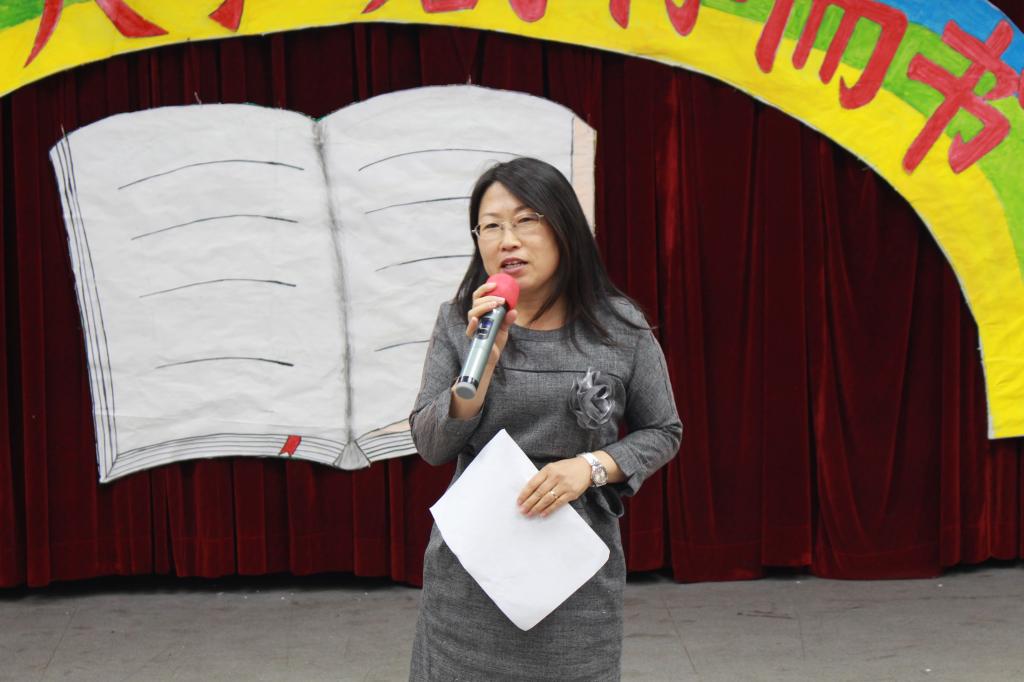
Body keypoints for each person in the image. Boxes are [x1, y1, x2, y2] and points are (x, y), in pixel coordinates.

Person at [408, 157, 682, 681]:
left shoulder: (619, 326)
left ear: (564, 227)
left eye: (525, 220)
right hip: (470, 576)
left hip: (573, 577)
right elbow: (432, 445)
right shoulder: (460, 321)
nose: (507, 240)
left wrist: (592, 466)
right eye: (491, 226)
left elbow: (663, 431)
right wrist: (481, 367)